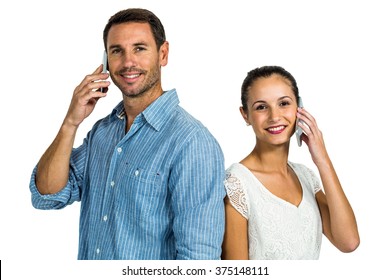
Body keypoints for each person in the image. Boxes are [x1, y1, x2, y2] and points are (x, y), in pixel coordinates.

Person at [29, 8, 225, 260]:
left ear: (162, 54)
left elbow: (199, 261)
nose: (128, 62)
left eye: (140, 48)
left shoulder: (192, 142)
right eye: (117, 51)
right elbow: (47, 195)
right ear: (106, 59)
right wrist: (71, 122)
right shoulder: (102, 132)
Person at [222, 66, 360, 260]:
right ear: (245, 115)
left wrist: (322, 159)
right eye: (261, 107)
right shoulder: (236, 184)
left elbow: (349, 241)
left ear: (299, 108)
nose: (275, 116)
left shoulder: (306, 177)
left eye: (284, 103)